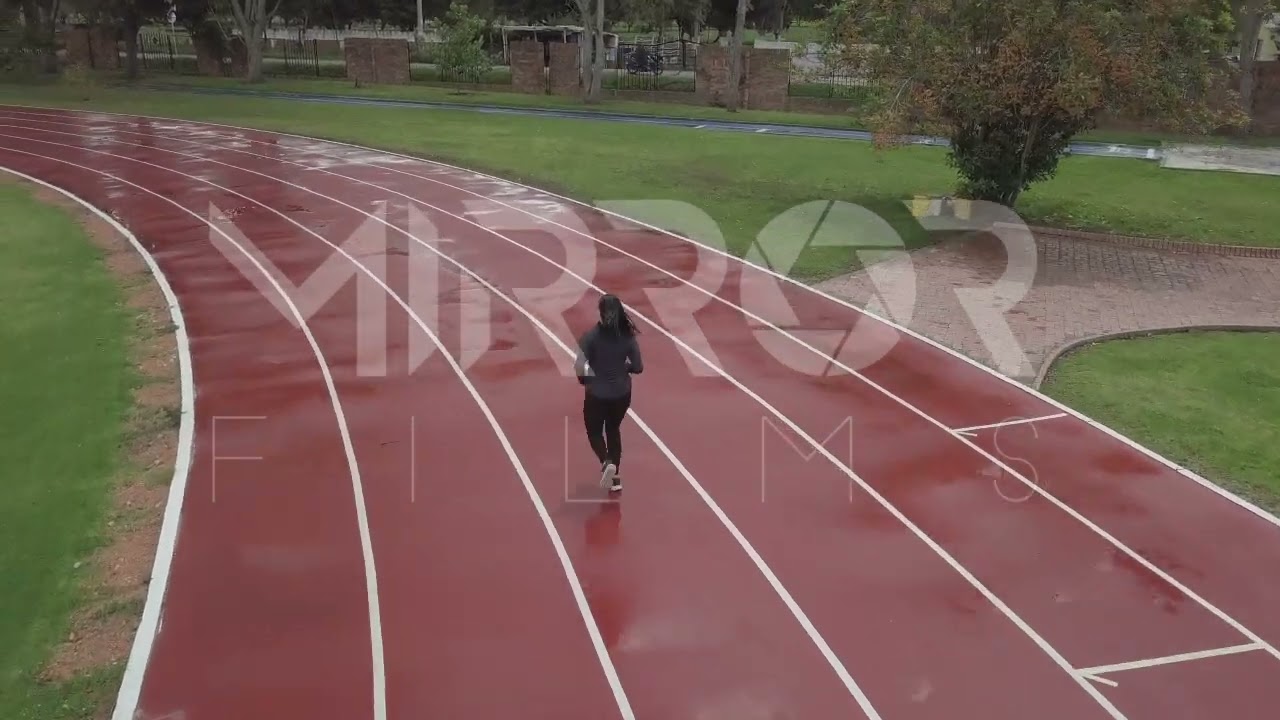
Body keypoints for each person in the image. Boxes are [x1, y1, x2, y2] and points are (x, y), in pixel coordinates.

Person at [574, 294, 642, 492]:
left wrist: (586, 380)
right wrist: (624, 368)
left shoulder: (591, 337)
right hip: (622, 394)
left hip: (597, 394)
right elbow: (638, 367)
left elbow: (579, 364)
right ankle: (615, 478)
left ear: (601, 313)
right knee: (613, 429)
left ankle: (606, 463)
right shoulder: (628, 337)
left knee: (594, 431)